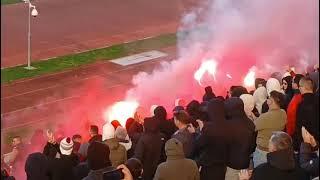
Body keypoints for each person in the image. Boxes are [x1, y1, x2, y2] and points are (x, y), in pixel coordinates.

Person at [239, 131, 309, 180]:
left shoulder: (261, 171)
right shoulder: (302, 171)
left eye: (269, 143)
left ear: (273, 149)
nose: (268, 144)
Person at [191, 98, 229, 180]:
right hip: (224, 166)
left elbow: (198, 144)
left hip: (209, 167)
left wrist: (195, 133)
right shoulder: (229, 124)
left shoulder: (209, 127)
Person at [224, 97, 256, 180]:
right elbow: (252, 147)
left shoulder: (227, 125)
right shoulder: (250, 123)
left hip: (231, 166)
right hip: (246, 164)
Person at [253, 91, 287, 168]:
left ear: (271, 101)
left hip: (263, 152)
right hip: (276, 150)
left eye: (268, 98)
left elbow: (254, 127)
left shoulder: (265, 117)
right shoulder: (283, 113)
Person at [293, 77, 319, 152]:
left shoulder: (301, 105)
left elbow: (299, 127)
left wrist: (297, 147)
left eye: (299, 87)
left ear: (302, 88)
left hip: (307, 145)